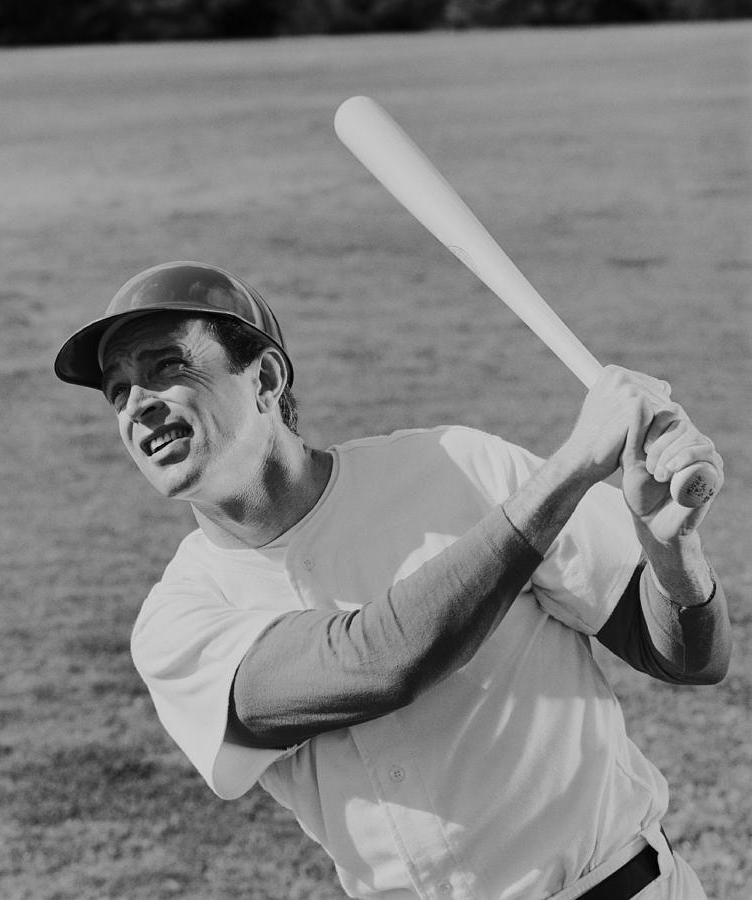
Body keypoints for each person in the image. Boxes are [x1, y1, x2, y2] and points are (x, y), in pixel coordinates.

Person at [54, 261, 731, 900]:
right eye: (117, 391)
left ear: (264, 378)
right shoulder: (178, 618)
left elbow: (688, 657)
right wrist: (572, 468)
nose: (135, 405)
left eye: (166, 366)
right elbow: (377, 663)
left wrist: (673, 549)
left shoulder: (458, 467)